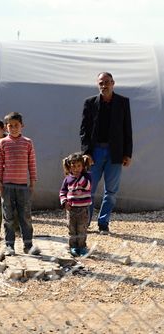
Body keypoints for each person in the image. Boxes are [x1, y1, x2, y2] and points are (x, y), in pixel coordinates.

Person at [80, 72, 133, 234]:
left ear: (113, 83)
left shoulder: (123, 102)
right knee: (89, 189)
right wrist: (86, 152)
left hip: (115, 153)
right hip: (95, 152)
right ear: (98, 84)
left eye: (107, 82)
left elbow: (127, 129)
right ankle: (85, 222)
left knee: (111, 191)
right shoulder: (90, 103)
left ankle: (103, 223)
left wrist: (127, 153)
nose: (104, 86)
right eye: (101, 83)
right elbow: (84, 130)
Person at [0, 112, 40, 256]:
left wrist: (32, 182)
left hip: (23, 186)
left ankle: (28, 245)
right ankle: (9, 246)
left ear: (22, 126)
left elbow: (32, 163)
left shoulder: (27, 142)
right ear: (6, 128)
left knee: (25, 216)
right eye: (10, 126)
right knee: (8, 217)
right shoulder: (3, 142)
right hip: (7, 186)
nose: (13, 128)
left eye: (16, 125)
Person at [59, 152, 92, 257]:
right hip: (71, 209)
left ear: (83, 166)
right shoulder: (67, 179)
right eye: (73, 166)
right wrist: (64, 202)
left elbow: (88, 187)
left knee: (82, 228)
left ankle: (82, 247)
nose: (76, 169)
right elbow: (62, 192)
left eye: (79, 166)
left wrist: (80, 178)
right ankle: (73, 246)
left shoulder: (87, 176)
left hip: (83, 209)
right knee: (72, 228)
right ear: (69, 167)